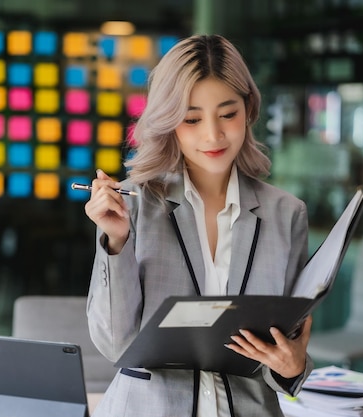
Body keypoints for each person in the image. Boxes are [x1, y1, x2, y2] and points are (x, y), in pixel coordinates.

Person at [83, 34, 313, 417]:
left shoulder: (286, 215)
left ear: (249, 109)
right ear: (168, 121)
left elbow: (285, 357)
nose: (213, 135)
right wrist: (116, 241)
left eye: (228, 114)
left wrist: (293, 369)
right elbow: (114, 344)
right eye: (191, 119)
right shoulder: (131, 206)